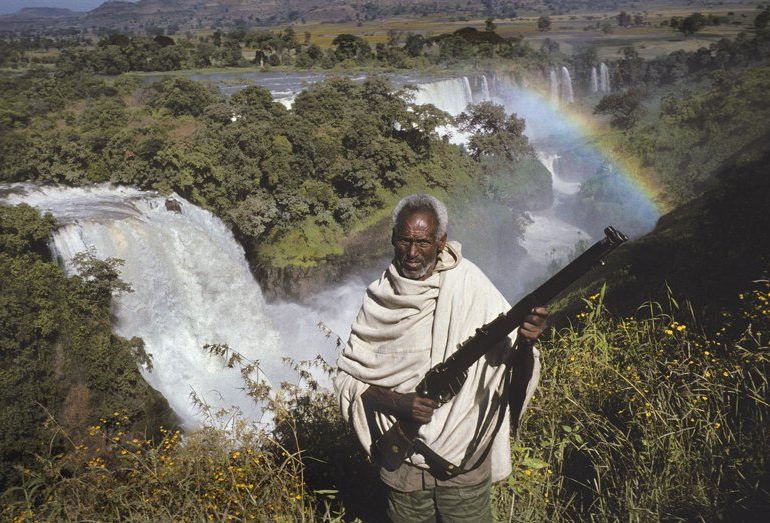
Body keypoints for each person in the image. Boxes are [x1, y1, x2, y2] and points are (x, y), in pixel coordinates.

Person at [334, 194, 548, 522]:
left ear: (441, 242)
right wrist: (397, 404)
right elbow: (347, 380)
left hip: (464, 459)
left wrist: (525, 340)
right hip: (402, 462)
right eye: (404, 240)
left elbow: (513, 371)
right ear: (393, 239)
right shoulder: (381, 296)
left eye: (423, 242)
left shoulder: (471, 285)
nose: (412, 252)